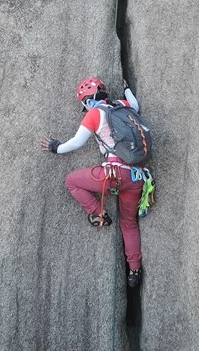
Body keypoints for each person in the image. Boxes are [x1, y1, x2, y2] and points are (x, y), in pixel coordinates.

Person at [41, 77, 144, 288]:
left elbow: (77, 142)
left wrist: (56, 148)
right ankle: (134, 270)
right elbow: (136, 105)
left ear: (88, 101)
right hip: (135, 177)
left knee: (71, 181)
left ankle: (99, 214)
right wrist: (127, 89)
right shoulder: (121, 105)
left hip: (111, 175)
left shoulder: (95, 114)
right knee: (129, 223)